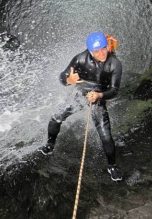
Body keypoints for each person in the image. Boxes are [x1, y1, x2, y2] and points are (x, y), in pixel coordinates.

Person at [39, 31, 123, 182]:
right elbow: (62, 77)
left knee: (105, 135)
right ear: (91, 51)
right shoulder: (80, 59)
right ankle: (50, 144)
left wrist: (99, 96)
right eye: (97, 51)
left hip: (99, 97)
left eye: (104, 49)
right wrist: (68, 80)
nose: (102, 53)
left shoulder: (114, 64)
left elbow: (114, 90)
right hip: (80, 94)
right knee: (55, 118)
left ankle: (112, 166)